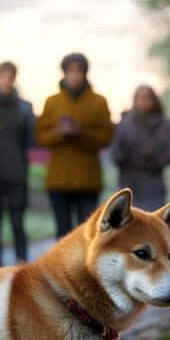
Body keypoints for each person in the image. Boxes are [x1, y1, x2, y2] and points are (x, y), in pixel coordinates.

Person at [35, 52, 114, 238]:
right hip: (59, 178)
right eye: (71, 71)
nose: (75, 75)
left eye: (79, 71)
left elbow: (107, 137)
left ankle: (84, 268)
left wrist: (81, 133)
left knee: (87, 234)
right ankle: (63, 269)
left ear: (85, 73)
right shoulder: (52, 102)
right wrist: (59, 133)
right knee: (62, 233)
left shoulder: (99, 102)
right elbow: (41, 137)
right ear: (64, 73)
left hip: (87, 179)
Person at [0, 61, 35, 266]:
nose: (6, 80)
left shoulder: (25, 109)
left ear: (14, 79)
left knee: (18, 223)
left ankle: (22, 265)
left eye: (10, 76)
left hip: (17, 173)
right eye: (3, 76)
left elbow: (32, 142)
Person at [110, 85, 170, 212]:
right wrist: (124, 154)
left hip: (154, 183)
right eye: (140, 98)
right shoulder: (124, 124)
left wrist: (154, 157)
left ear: (154, 100)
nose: (144, 102)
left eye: (147, 98)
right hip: (129, 183)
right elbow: (115, 154)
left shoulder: (165, 125)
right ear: (134, 100)